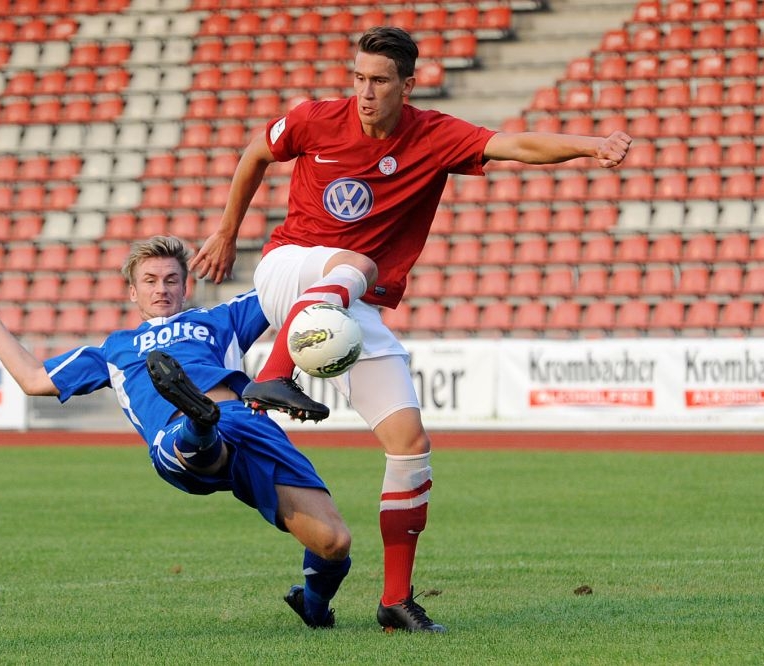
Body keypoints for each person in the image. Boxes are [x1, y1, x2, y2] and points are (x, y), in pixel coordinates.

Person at [189, 26, 632, 632]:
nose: (365, 93)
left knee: (410, 444)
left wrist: (590, 144)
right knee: (358, 264)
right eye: (358, 79)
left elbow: (516, 144)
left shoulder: (432, 135)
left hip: (348, 302)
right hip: (290, 266)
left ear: (407, 84)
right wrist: (227, 231)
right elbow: (256, 155)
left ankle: (395, 600)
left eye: (378, 82)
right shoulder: (315, 119)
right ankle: (272, 376)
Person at [0, 235, 351, 630]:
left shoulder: (221, 319)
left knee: (334, 543)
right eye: (150, 281)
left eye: (170, 280)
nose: (161, 289)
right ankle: (199, 422)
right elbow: (32, 378)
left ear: (186, 287)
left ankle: (315, 610)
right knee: (196, 439)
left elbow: (281, 283)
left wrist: (324, 244)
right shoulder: (115, 349)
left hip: (250, 425)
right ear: (133, 291)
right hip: (176, 435)